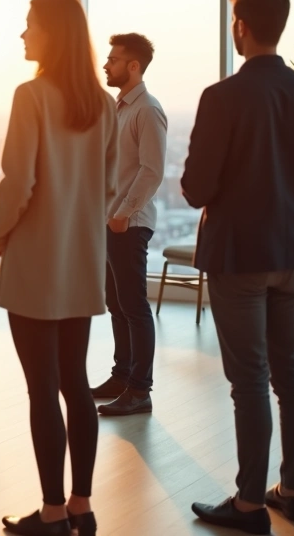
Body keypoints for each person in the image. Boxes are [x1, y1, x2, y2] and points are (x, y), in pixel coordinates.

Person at [184, 0, 294, 535]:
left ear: (241, 26)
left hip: (238, 253)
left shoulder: (221, 97)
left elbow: (198, 188)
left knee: (249, 379)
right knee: (289, 371)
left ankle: (248, 504)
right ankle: (291, 492)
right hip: (292, 251)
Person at [0, 0, 117, 536]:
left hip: (36, 264)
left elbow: (19, 183)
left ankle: (52, 512)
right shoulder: (105, 104)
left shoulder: (31, 96)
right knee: (76, 384)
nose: (22, 35)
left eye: (29, 26)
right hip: (82, 261)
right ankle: (82, 506)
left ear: (52, 35)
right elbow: (107, 187)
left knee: (42, 389)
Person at [91, 33, 167, 416]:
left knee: (134, 306)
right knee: (116, 303)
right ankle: (122, 376)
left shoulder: (146, 110)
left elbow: (152, 171)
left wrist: (122, 213)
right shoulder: (119, 108)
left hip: (129, 223)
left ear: (133, 66)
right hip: (111, 220)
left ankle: (140, 389)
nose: (106, 64)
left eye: (114, 59)